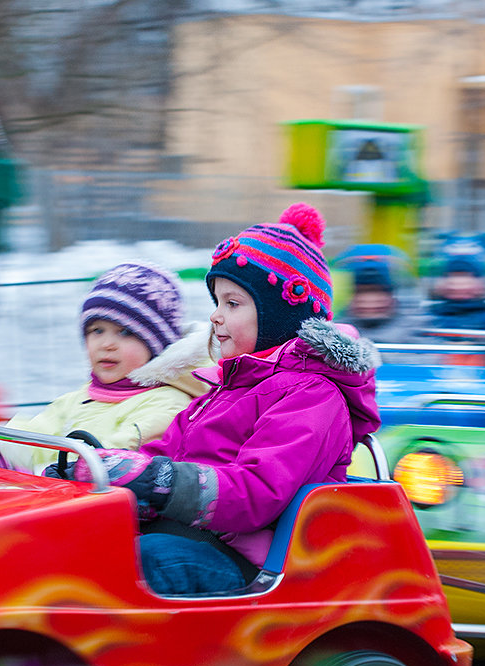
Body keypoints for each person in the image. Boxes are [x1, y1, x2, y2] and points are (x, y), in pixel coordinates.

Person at [54, 203, 382, 596]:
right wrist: (111, 480)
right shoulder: (227, 388)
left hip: (250, 567)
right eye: (217, 302)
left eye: (232, 303)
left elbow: (256, 493)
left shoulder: (312, 395)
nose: (214, 316)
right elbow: (167, 451)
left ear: (278, 314)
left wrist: (155, 481)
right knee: (72, 542)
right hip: (195, 538)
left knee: (141, 562)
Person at [0, 262, 210, 472]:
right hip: (61, 497)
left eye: (125, 333)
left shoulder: (166, 403)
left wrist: (52, 472)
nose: (106, 344)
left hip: (116, 517)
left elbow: (116, 458)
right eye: (97, 330)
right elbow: (36, 438)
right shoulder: (80, 398)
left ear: (156, 344)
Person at [335, 251, 422, 344]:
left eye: (379, 291)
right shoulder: (336, 332)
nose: (370, 299)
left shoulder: (415, 330)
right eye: (361, 292)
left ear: (393, 296)